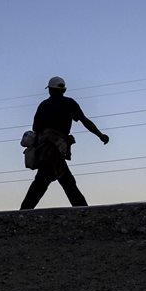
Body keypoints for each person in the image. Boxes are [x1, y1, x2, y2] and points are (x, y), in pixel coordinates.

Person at [20, 77, 109, 210]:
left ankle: (24, 212)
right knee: (61, 181)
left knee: (47, 181)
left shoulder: (43, 105)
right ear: (64, 90)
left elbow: (35, 128)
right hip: (55, 149)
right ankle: (83, 211)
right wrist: (100, 135)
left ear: (49, 90)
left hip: (45, 150)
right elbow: (85, 121)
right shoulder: (69, 103)